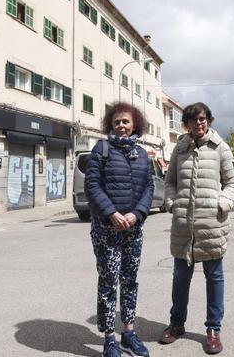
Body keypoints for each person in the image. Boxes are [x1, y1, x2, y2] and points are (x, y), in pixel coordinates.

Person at [159, 102, 234, 355]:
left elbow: (233, 182)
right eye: (193, 120)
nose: (199, 123)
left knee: (214, 278)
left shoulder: (220, 147)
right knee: (180, 279)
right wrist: (172, 201)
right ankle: (176, 324)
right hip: (183, 226)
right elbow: (169, 181)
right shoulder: (179, 148)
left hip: (212, 225)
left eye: (202, 119)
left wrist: (223, 202)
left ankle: (213, 329)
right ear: (188, 123)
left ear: (209, 120)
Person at [85, 102, 155, 357]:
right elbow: (92, 185)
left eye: (126, 121)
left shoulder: (143, 155)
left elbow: (149, 188)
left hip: (133, 230)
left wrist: (136, 215)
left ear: (134, 123)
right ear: (110, 126)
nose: (122, 126)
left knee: (130, 281)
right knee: (108, 282)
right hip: (107, 231)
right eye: (117, 122)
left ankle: (128, 333)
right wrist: (112, 213)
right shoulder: (101, 149)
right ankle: (109, 340)